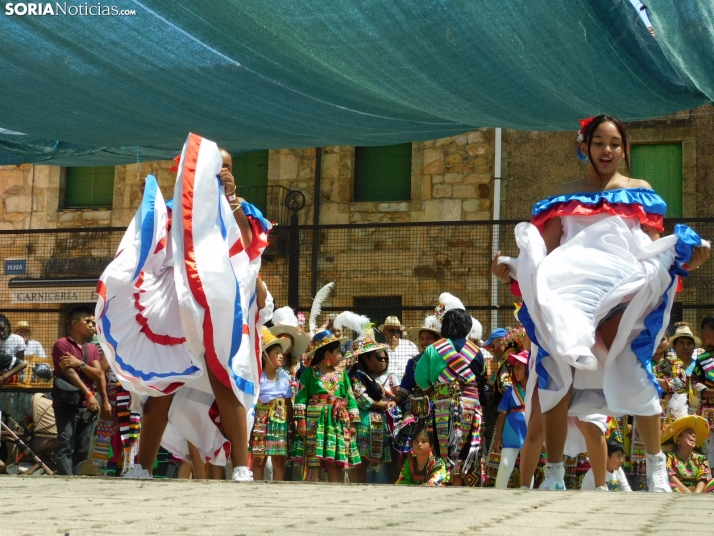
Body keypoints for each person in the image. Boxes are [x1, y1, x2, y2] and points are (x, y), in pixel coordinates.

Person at [492, 115, 710, 492]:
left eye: (614, 143)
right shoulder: (564, 196)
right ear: (584, 147)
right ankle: (556, 472)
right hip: (574, 290)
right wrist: (514, 269)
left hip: (624, 286)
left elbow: (654, 246)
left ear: (624, 149)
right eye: (598, 143)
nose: (606, 150)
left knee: (630, 359)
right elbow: (545, 252)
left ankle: (657, 466)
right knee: (560, 369)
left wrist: (682, 261)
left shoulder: (638, 191)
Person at [97, 137, 273, 482]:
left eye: (227, 168)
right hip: (179, 308)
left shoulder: (240, 208)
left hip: (220, 308)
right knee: (166, 385)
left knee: (224, 378)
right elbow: (153, 249)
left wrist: (231, 201)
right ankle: (142, 467)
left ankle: (241, 466)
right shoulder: (173, 208)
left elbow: (247, 249)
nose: (221, 172)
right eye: (214, 166)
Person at [415, 307, 485, 486]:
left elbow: (420, 377)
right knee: (467, 448)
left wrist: (431, 390)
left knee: (444, 449)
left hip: (443, 405)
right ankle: (462, 483)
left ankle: (447, 482)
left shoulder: (433, 349)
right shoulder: (476, 351)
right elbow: (480, 376)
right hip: (470, 406)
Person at [291, 330, 360, 482]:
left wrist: (353, 423)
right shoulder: (309, 373)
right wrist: (301, 423)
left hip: (336, 422)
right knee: (313, 459)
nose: (341, 356)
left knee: (334, 459)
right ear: (328, 354)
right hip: (315, 423)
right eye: (338, 352)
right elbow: (300, 398)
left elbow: (350, 398)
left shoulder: (343, 375)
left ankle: (333, 495)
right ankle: (312, 494)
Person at [51, 306, 102, 476]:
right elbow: (68, 372)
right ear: (74, 323)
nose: (91, 325)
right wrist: (89, 393)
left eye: (93, 322)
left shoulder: (92, 349)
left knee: (83, 449)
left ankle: (73, 479)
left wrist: (80, 363)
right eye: (87, 321)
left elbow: (98, 373)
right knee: (66, 444)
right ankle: (65, 482)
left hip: (88, 404)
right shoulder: (62, 344)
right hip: (67, 402)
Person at [347, 327, 395, 484]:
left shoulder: (367, 376)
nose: (377, 359)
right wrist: (384, 404)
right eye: (375, 356)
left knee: (364, 463)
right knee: (359, 463)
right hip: (363, 424)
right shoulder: (356, 377)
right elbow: (361, 399)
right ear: (365, 358)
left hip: (371, 424)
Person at [390, 316, 441, 454]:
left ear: (437, 341)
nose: (424, 342)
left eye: (428, 338)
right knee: (414, 448)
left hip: (438, 408)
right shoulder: (413, 362)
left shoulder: (442, 361)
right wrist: (395, 400)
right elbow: (405, 387)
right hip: (415, 409)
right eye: (422, 338)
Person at [251, 328, 292, 481]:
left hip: (279, 423)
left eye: (281, 353)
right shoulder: (258, 378)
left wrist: (292, 424)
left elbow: (288, 404)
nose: (281, 356)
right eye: (276, 353)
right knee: (259, 459)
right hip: (260, 422)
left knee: (279, 460)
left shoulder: (284, 379)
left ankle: (278, 491)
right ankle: (256, 489)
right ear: (265, 355)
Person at [492, 350, 528, 489]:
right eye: (515, 367)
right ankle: (499, 491)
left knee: (527, 465)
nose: (515, 370)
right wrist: (497, 438)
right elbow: (501, 414)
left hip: (530, 431)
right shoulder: (511, 390)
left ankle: (527, 493)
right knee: (506, 463)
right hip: (510, 431)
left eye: (519, 367)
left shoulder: (535, 390)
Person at [662, 415, 713, 493]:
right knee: (672, 487)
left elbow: (704, 476)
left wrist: (696, 494)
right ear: (678, 438)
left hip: (697, 492)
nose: (694, 435)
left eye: (694, 434)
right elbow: (670, 475)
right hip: (678, 489)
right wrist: (686, 492)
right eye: (689, 432)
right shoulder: (669, 456)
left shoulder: (700, 458)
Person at [692, 315, 714, 468]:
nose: (702, 333)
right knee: (709, 450)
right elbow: (695, 383)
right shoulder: (703, 359)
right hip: (708, 413)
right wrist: (709, 392)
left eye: (705, 329)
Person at [651, 333, 687, 425]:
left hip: (670, 412)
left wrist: (652, 379)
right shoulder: (642, 362)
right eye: (655, 339)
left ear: (668, 342)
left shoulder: (675, 362)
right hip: (647, 409)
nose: (659, 343)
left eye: (662, 339)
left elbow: (680, 384)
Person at [669, 322, 701, 414]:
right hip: (673, 412)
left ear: (694, 346)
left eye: (689, 343)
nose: (686, 347)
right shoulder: (667, 367)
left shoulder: (700, 366)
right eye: (681, 343)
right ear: (674, 346)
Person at [380, 316, 418, 384]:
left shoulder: (409, 345)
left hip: (408, 383)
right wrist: (392, 348)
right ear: (384, 332)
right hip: (388, 385)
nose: (395, 334)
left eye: (398, 331)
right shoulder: (381, 349)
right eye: (392, 331)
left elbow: (418, 363)